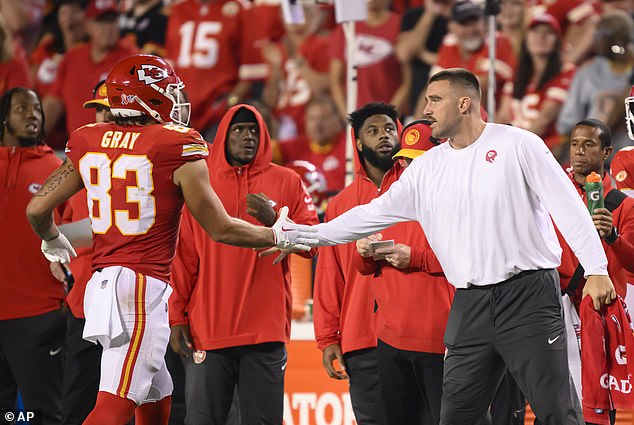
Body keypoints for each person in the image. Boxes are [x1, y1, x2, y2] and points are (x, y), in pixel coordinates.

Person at [282, 68, 617, 425]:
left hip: (528, 297)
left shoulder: (518, 145)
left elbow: (568, 207)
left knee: (556, 411)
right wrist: (304, 235)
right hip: (469, 303)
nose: (426, 109)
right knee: (456, 417)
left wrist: (596, 269)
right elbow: (369, 214)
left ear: (463, 104)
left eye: (434, 100)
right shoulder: (426, 169)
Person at [25, 53, 305, 425]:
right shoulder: (176, 145)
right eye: (169, 90)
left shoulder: (88, 139)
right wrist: (278, 235)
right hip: (140, 288)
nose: (177, 99)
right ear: (147, 96)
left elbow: (35, 210)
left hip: (106, 284)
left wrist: (51, 239)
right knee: (115, 403)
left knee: (158, 395)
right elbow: (220, 228)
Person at [169, 104, 319, 425]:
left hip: (264, 331)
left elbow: (313, 244)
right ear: (223, 135)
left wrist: (278, 221)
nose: (247, 136)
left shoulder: (287, 180)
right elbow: (184, 256)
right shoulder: (201, 179)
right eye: (238, 129)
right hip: (207, 328)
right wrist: (176, 315)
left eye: (253, 129)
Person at [355, 119, 454, 425]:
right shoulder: (388, 202)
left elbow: (471, 261)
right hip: (391, 339)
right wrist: (363, 252)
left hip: (441, 340)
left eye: (418, 160)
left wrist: (417, 258)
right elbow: (363, 269)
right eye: (406, 160)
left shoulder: (456, 204)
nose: (411, 168)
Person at [314, 102, 402, 425]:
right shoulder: (340, 204)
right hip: (362, 341)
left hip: (415, 336)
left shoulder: (418, 189)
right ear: (358, 142)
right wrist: (327, 339)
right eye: (374, 131)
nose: (384, 136)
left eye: (390, 129)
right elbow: (329, 276)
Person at [557, 118, 634, 425]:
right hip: (557, 305)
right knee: (556, 394)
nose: (579, 152)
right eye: (575, 144)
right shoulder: (552, 195)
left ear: (606, 152)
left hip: (601, 310)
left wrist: (613, 237)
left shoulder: (621, 204)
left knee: (599, 397)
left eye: (589, 145)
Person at [0, 87, 65, 425]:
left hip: (39, 315)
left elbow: (77, 232)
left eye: (37, 108)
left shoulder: (58, 169)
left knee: (41, 415)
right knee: (6, 415)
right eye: (22, 108)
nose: (33, 114)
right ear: (4, 119)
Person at [42, 0, 137, 137]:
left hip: (115, 147)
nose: (107, 28)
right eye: (100, 21)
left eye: (112, 21)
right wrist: (34, 138)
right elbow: (53, 103)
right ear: (87, 26)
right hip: (76, 148)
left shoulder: (131, 58)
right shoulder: (72, 58)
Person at [497, 13, 575, 159]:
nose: (541, 37)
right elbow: (502, 115)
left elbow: (545, 118)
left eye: (548, 33)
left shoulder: (566, 71)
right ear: (526, 39)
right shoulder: (517, 73)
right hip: (514, 147)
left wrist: (514, 150)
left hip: (546, 149)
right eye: (535, 32)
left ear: (557, 41)